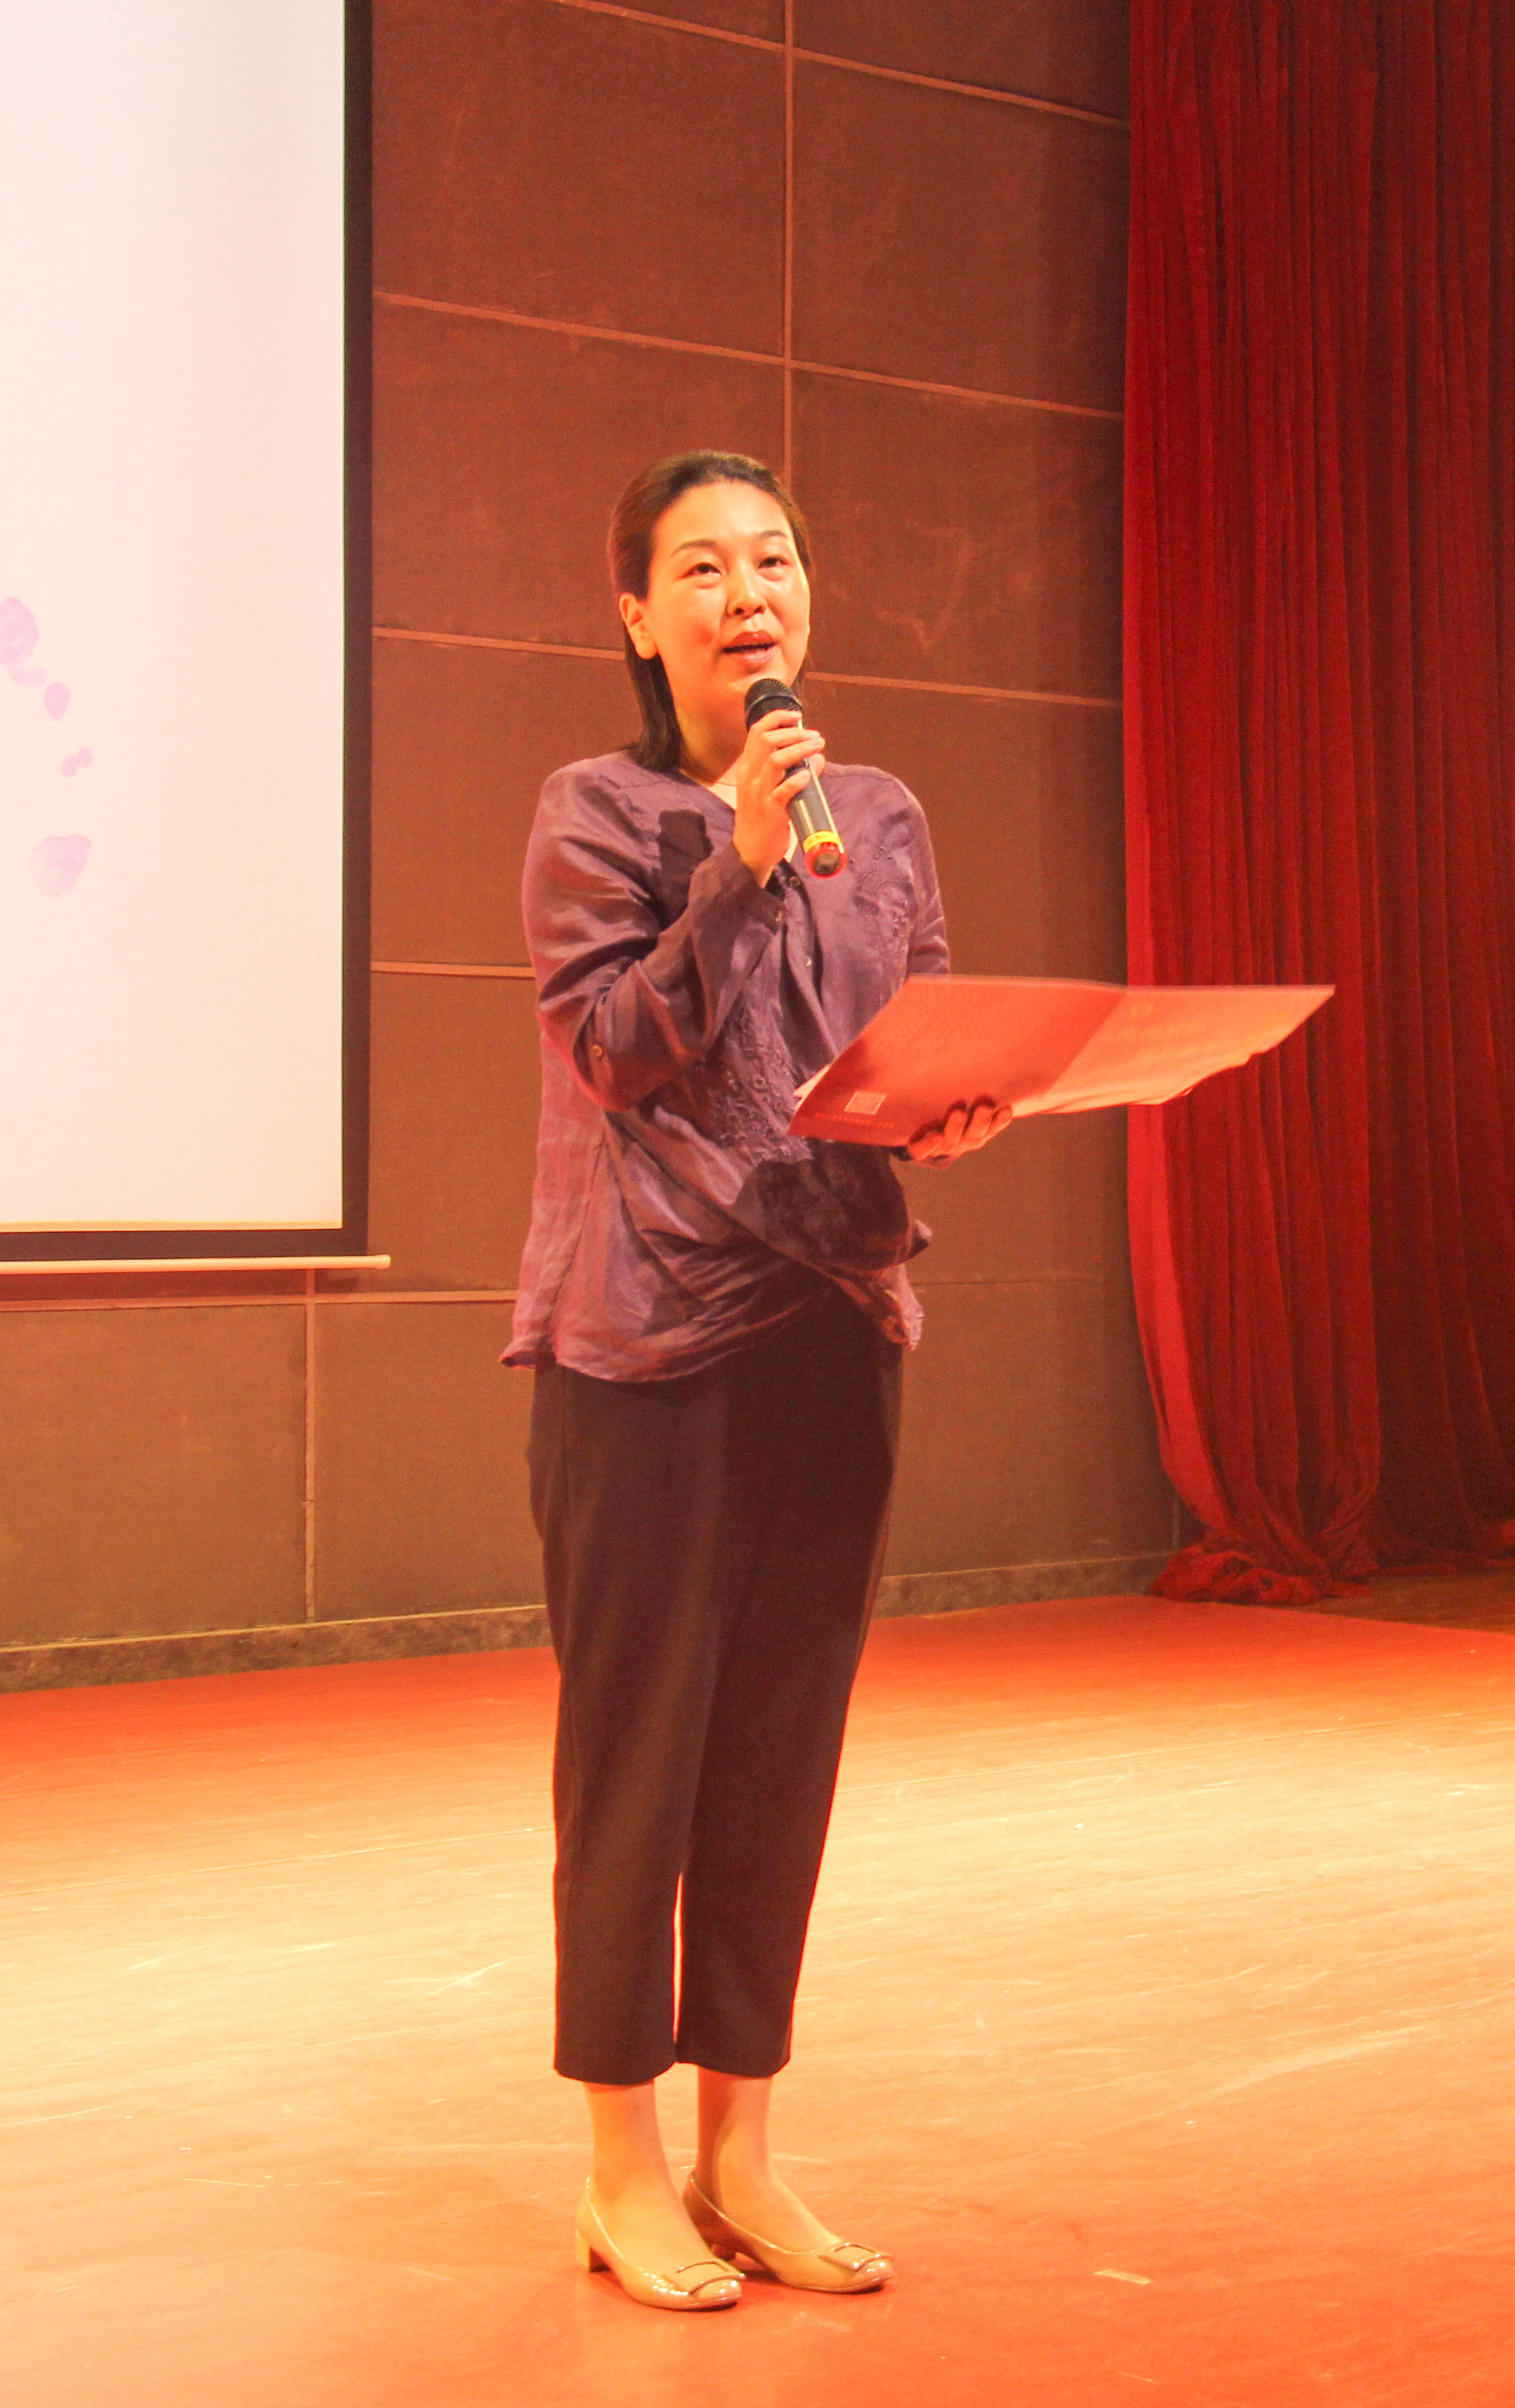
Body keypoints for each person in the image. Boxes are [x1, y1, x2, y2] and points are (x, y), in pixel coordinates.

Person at [508, 449, 1009, 2313]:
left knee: (780, 1752)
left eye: (776, 561)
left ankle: (744, 2155)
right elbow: (613, 1051)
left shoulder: (880, 816)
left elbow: (910, 1027)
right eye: (704, 568)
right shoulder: (599, 813)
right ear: (639, 616)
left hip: (834, 1321)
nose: (749, 595)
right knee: (638, 1756)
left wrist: (954, 1104)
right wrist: (731, 862)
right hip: (644, 1341)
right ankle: (618, 2170)